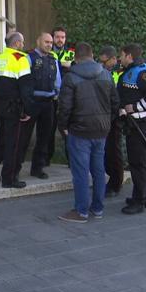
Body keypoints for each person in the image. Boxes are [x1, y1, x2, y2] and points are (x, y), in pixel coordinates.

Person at [57, 42, 119, 223]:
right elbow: (115, 103)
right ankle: (97, 209)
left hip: (79, 131)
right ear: (92, 56)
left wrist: (64, 127)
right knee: (98, 170)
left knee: (81, 172)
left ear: (76, 57)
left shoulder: (70, 77)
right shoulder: (107, 75)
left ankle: (81, 211)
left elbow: (64, 107)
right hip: (101, 130)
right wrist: (107, 121)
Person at [0, 32, 34, 188]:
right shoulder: (21, 60)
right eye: (22, 42)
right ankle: (9, 179)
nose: (23, 45)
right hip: (14, 108)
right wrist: (27, 111)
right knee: (13, 143)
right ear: (17, 43)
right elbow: (26, 89)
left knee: (1, 139)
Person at [117, 44, 146, 214]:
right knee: (139, 163)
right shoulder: (131, 70)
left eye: (121, 55)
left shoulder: (142, 73)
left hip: (140, 124)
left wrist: (134, 107)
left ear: (129, 56)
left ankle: (138, 201)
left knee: (137, 164)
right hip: (133, 124)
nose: (120, 58)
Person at [20, 33, 61, 179]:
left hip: (48, 103)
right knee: (23, 137)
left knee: (44, 138)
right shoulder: (28, 58)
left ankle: (38, 169)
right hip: (32, 102)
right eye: (46, 42)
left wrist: (57, 93)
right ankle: (15, 168)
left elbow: (57, 81)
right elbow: (23, 82)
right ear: (38, 41)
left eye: (51, 42)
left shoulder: (53, 59)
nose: (49, 44)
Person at [98, 46, 124, 197]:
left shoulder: (120, 71)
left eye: (105, 61)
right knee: (107, 151)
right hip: (105, 116)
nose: (102, 64)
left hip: (115, 117)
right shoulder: (103, 70)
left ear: (113, 59)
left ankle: (115, 184)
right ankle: (112, 180)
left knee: (114, 151)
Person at [47, 26, 75, 166]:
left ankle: (71, 161)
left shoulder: (70, 53)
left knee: (68, 132)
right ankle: (45, 161)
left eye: (62, 37)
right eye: (57, 37)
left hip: (67, 98)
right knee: (48, 131)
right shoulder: (48, 52)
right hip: (51, 98)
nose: (60, 40)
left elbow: (75, 70)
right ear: (52, 38)